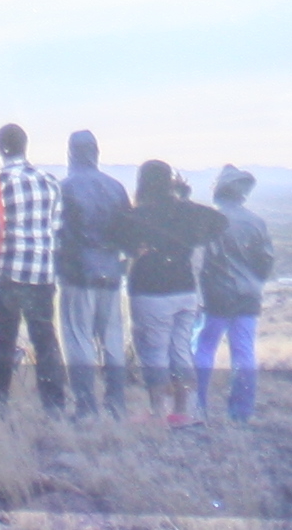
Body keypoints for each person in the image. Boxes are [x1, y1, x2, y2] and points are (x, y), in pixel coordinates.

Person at [118, 160, 217, 425]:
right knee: (180, 350)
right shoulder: (186, 211)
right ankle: (183, 411)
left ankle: (158, 412)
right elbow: (219, 221)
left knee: (155, 352)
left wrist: (139, 249)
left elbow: (115, 236)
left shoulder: (139, 215)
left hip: (151, 291)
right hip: (185, 289)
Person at [0, 120, 66, 415]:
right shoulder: (50, 181)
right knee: (45, 340)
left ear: (0, 149)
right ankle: (54, 405)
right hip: (42, 272)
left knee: (3, 340)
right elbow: (57, 227)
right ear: (25, 146)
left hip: (7, 270)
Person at [54, 128, 132, 418]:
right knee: (112, 338)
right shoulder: (116, 188)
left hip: (77, 274)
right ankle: (116, 403)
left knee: (78, 338)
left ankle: (86, 406)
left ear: (71, 153)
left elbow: (58, 233)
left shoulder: (65, 187)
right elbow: (127, 233)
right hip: (111, 273)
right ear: (96, 153)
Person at [192, 166, 275, 424]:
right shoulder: (256, 222)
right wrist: (253, 282)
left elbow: (199, 261)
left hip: (215, 297)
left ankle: (197, 407)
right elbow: (266, 261)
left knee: (203, 349)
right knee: (244, 353)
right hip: (248, 296)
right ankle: (241, 413)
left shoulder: (209, 220)